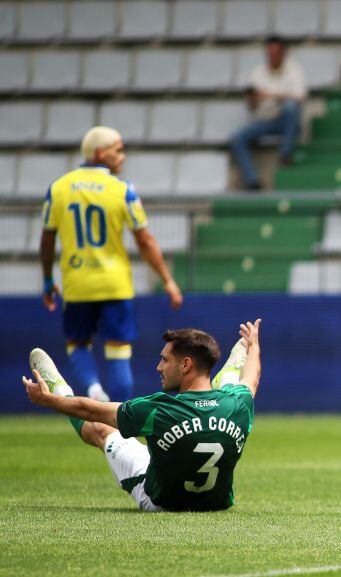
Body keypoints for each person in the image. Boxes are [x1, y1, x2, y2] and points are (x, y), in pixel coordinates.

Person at [21, 319, 261, 512]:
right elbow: (252, 378)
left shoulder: (160, 409)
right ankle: (228, 372)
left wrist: (50, 400)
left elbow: (89, 410)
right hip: (216, 505)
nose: (159, 367)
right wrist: (253, 348)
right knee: (236, 388)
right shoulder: (238, 405)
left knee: (99, 430)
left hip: (160, 502)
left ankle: (58, 387)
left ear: (185, 365)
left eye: (165, 359)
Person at [40, 126, 183, 403]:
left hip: (77, 284)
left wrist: (47, 278)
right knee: (118, 351)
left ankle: (93, 390)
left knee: (78, 344)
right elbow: (145, 240)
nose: (123, 156)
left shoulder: (58, 188)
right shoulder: (123, 190)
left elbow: (47, 239)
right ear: (100, 153)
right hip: (115, 283)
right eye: (118, 150)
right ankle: (119, 417)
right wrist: (167, 279)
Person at [230, 35, 307, 190]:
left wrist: (271, 95)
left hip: (285, 121)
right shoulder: (257, 72)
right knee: (237, 138)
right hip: (263, 120)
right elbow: (251, 105)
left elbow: (300, 98)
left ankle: (285, 153)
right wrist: (253, 100)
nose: (272, 56)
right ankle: (252, 181)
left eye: (275, 52)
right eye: (269, 53)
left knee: (291, 107)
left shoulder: (294, 70)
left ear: (283, 53)